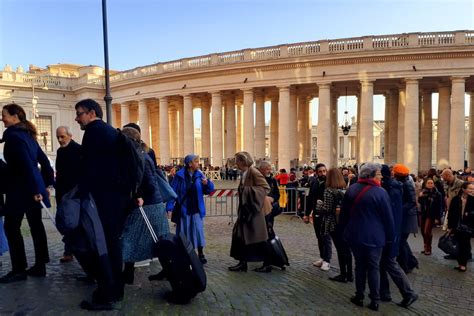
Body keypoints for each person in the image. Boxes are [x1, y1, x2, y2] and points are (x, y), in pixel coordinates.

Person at [74, 99, 131, 310]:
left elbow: (89, 168)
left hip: (103, 198)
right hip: (116, 198)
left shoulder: (94, 132)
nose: (77, 118)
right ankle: (116, 289)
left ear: (91, 113)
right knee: (112, 244)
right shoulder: (110, 131)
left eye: (79, 113)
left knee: (104, 245)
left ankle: (107, 294)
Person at [0, 103, 53, 283]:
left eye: (4, 115)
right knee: (36, 226)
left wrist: (37, 189)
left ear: (15, 117)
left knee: (11, 227)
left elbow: (24, 165)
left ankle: (19, 269)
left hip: (21, 190)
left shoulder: (14, 137)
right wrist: (46, 184)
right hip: (32, 187)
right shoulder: (29, 136)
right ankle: (40, 265)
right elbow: (44, 163)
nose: (2, 118)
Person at [339, 163, 395, 312]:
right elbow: (388, 218)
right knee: (374, 267)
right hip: (375, 237)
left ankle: (359, 295)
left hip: (355, 234)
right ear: (371, 175)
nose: (381, 177)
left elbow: (344, 215)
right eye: (378, 174)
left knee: (360, 266)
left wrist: (343, 231)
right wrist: (391, 236)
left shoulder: (351, 189)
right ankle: (375, 300)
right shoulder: (381, 192)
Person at [120, 127, 169, 284]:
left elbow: (143, 182)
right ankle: (167, 270)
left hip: (147, 204)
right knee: (158, 240)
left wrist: (138, 195)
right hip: (154, 203)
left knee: (130, 238)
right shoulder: (142, 153)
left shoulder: (138, 156)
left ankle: (128, 275)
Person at [380, 164, 418, 308]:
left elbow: (409, 203)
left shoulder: (395, 188)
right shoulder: (394, 186)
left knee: (389, 261)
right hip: (393, 228)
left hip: (393, 229)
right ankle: (384, 292)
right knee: (384, 262)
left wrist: (400, 211)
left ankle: (408, 293)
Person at [167, 154, 214, 264]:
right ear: (189, 164)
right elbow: (172, 192)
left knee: (198, 231)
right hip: (184, 209)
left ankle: (201, 253)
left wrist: (207, 184)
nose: (199, 163)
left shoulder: (200, 175)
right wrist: (169, 207)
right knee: (184, 232)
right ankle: (185, 253)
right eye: (196, 162)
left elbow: (210, 190)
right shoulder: (179, 176)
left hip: (197, 209)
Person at [229, 151, 271, 273]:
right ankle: (243, 263)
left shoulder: (254, 172)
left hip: (254, 211)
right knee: (240, 236)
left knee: (260, 238)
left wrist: (247, 191)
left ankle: (267, 263)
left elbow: (265, 188)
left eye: (237, 160)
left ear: (243, 161)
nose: (235, 163)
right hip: (246, 210)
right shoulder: (244, 173)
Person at [55, 126, 82, 263]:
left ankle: (71, 250)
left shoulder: (78, 150)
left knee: (71, 223)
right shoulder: (60, 151)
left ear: (70, 135)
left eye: (62, 137)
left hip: (74, 193)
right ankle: (69, 249)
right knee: (65, 223)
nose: (60, 140)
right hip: (63, 192)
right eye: (58, 137)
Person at [321, 168, 351, 282]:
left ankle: (343, 274)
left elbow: (327, 209)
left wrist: (320, 205)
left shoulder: (328, 191)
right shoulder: (345, 189)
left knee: (340, 249)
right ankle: (349, 274)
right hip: (345, 222)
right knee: (346, 249)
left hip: (333, 222)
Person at [304, 163, 332, 271]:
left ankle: (327, 260)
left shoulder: (329, 183)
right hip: (316, 213)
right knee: (319, 236)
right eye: (320, 171)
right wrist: (306, 214)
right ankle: (322, 257)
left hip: (326, 213)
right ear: (316, 172)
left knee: (326, 237)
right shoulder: (314, 182)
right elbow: (310, 199)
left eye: (324, 171)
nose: (322, 173)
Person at [393, 164, 419, 274]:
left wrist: (400, 209)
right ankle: (411, 262)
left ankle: (406, 265)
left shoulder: (406, 184)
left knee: (401, 242)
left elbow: (412, 202)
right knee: (402, 242)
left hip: (407, 217)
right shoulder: (403, 183)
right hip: (405, 216)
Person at [447, 181, 474, 272]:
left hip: (468, 227)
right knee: (458, 244)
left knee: (465, 245)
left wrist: (469, 214)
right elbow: (450, 213)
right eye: (470, 188)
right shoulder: (456, 199)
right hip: (457, 226)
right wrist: (450, 226)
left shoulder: (473, 200)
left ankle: (463, 264)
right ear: (463, 189)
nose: (472, 190)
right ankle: (460, 263)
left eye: (473, 189)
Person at [418, 178, 443, 255]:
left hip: (432, 215)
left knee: (427, 232)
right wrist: (420, 197)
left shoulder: (437, 194)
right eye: (428, 183)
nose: (430, 184)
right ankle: (425, 246)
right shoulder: (423, 192)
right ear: (425, 184)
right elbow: (420, 203)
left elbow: (439, 206)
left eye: (431, 183)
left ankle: (428, 248)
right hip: (423, 213)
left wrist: (437, 217)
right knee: (422, 231)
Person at [258, 161, 280, 233]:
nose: (269, 171)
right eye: (267, 169)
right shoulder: (256, 179)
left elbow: (277, 194)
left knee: (269, 230)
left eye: (270, 169)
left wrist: (272, 198)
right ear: (261, 169)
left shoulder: (273, 180)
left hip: (270, 209)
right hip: (259, 209)